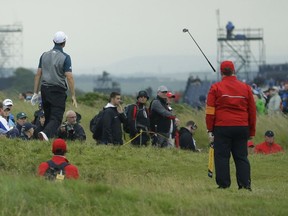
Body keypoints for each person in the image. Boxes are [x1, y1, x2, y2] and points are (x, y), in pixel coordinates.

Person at [205, 60, 256, 190]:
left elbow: (210, 110)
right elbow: (252, 111)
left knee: (222, 156)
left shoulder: (215, 88)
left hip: (222, 127)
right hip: (242, 126)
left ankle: (224, 185)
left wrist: (210, 129)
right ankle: (245, 185)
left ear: (221, 72)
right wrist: (251, 131)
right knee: (241, 157)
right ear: (234, 71)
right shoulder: (246, 88)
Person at [32, 31, 77, 141]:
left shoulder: (44, 55)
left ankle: (45, 139)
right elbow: (69, 77)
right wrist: (73, 96)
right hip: (57, 90)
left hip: (44, 90)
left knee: (48, 116)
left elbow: (38, 74)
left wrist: (35, 93)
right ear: (64, 43)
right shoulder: (65, 57)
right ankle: (45, 134)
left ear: (53, 41)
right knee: (56, 117)